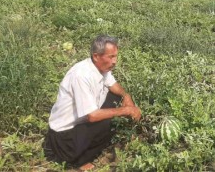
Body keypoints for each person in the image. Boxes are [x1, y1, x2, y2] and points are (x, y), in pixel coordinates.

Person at [43, 35, 142, 171]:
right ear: (96, 56)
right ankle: (78, 160)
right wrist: (127, 110)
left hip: (80, 122)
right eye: (111, 57)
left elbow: (113, 85)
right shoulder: (81, 75)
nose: (115, 61)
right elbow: (92, 116)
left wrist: (126, 96)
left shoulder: (100, 67)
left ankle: (85, 146)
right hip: (65, 139)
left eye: (116, 56)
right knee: (109, 123)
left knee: (116, 98)